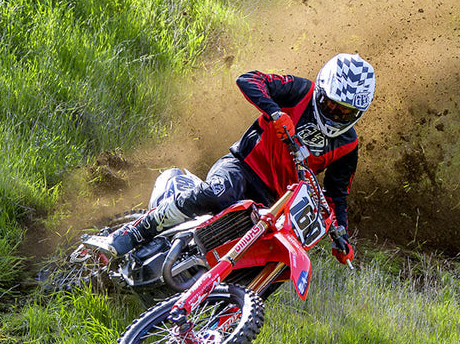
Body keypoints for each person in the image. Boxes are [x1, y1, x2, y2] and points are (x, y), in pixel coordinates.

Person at [89, 53, 374, 263]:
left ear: (358, 114)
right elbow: (249, 79)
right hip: (241, 167)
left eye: (345, 112)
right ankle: (133, 233)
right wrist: (275, 112)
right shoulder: (301, 91)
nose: (335, 114)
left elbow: (336, 195)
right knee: (218, 193)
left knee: (264, 254)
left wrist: (341, 235)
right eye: (331, 105)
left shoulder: (349, 145)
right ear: (321, 90)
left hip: (275, 203)